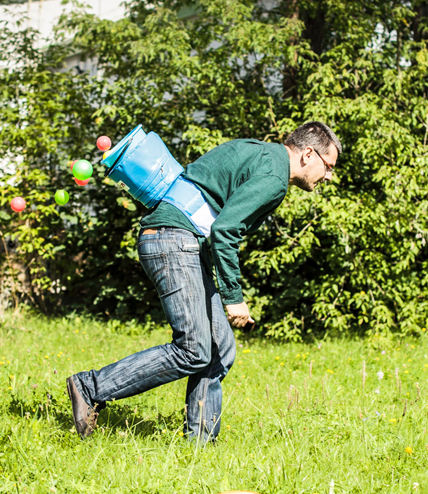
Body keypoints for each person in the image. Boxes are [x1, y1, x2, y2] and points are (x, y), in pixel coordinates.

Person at [66, 121, 342, 442]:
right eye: (328, 166)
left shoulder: (258, 150)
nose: (328, 176)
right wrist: (232, 296)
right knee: (194, 350)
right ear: (309, 154)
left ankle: (201, 442)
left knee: (219, 349)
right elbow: (225, 231)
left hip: (176, 241)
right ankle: (91, 387)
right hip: (174, 240)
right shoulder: (274, 177)